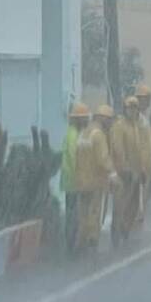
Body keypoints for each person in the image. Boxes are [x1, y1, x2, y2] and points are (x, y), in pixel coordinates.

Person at [74, 104, 119, 255]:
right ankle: (92, 241)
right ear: (103, 119)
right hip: (95, 181)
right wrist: (113, 174)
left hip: (81, 182)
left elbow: (77, 158)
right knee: (94, 213)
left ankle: (80, 242)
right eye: (109, 120)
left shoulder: (83, 133)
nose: (110, 123)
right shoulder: (98, 135)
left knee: (83, 214)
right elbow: (103, 158)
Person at [108, 96, 142, 246]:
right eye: (130, 108)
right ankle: (116, 233)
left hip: (134, 173)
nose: (132, 111)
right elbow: (118, 149)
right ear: (125, 109)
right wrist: (124, 168)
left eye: (135, 108)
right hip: (122, 173)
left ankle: (125, 229)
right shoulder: (119, 126)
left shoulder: (135, 126)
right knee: (119, 204)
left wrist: (141, 170)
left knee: (132, 204)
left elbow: (138, 150)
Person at [60, 102, 90, 254]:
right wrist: (81, 176)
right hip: (73, 181)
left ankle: (72, 242)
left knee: (73, 213)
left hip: (72, 181)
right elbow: (74, 158)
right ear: (78, 119)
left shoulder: (75, 133)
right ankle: (71, 244)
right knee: (73, 214)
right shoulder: (73, 135)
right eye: (84, 118)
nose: (87, 120)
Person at [133, 84, 151, 228]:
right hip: (138, 165)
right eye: (145, 99)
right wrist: (139, 165)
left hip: (147, 165)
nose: (147, 102)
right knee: (136, 196)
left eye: (148, 99)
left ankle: (138, 219)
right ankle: (133, 222)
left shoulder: (143, 118)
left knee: (143, 195)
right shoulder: (135, 119)